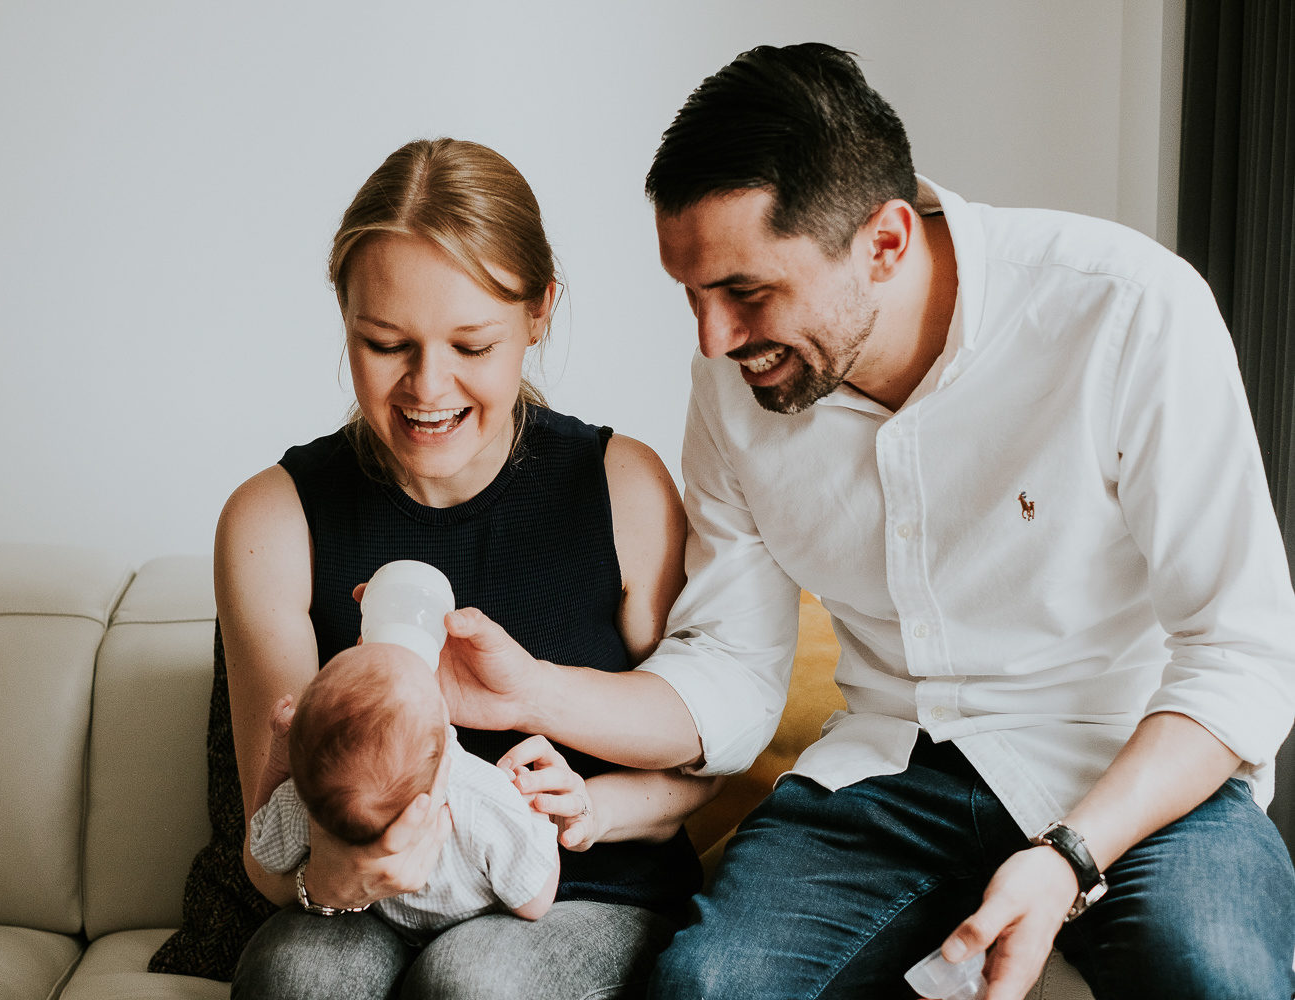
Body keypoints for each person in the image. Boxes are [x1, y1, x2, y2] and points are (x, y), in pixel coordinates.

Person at [435, 43, 1295, 1000]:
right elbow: (731, 662)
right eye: (691, 292)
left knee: (1220, 979)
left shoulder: (1127, 310)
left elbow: (1242, 654)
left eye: (746, 293)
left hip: (1131, 771)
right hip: (885, 776)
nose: (713, 340)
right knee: (709, 989)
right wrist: (532, 692)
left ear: (884, 241)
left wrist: (1068, 855)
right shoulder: (733, 384)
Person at [151, 136, 721, 999]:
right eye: (385, 343)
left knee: (477, 983)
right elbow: (270, 851)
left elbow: (698, 771)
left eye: (472, 345)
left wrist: (585, 810)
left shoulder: (625, 490)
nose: (427, 388)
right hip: (367, 906)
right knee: (298, 981)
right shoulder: (273, 519)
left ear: (540, 314)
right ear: (344, 318)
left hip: (585, 891)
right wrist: (326, 878)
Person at [247, 642, 560, 937]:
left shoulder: (301, 802)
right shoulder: (482, 795)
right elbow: (534, 901)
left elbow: (262, 849)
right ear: (442, 716)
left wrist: (278, 763)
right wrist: (536, 815)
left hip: (376, 921)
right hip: (477, 925)